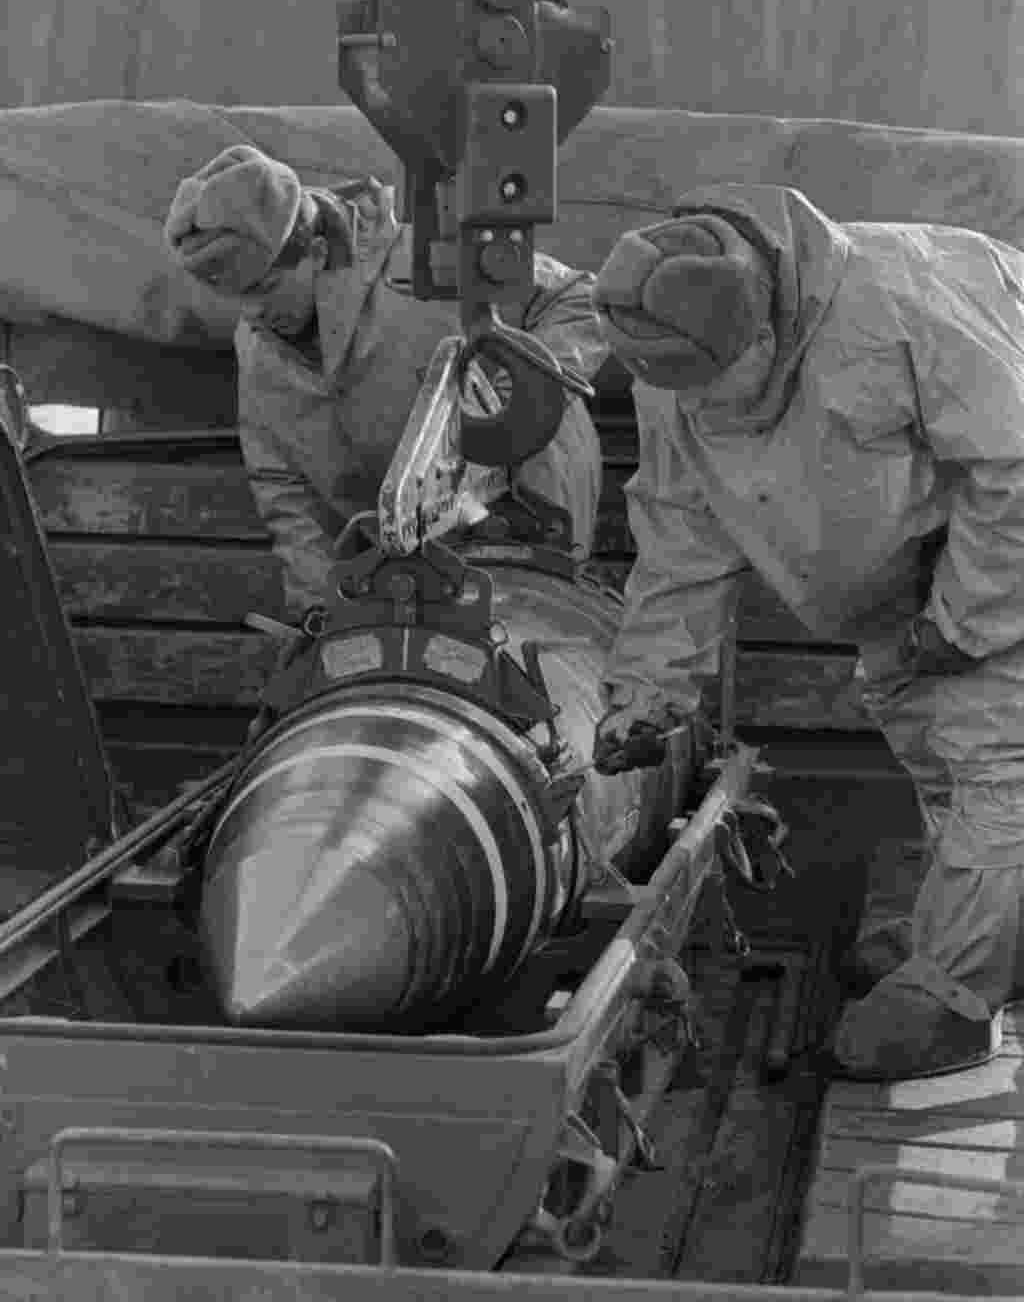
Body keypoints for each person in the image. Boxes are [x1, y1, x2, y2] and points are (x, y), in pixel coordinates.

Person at [587, 181, 1024, 1082]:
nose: (701, 408)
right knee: (937, 758)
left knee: (995, 759)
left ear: (762, 330)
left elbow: (1015, 463)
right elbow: (681, 530)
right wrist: (648, 693)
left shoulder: (896, 305)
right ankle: (984, 926)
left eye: (717, 385)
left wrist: (964, 620)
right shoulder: (671, 366)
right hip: (904, 579)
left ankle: (955, 999)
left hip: (1000, 549)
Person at [163, 145, 605, 621]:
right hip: (405, 575)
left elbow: (578, 299)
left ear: (314, 250)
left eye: (265, 290)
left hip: (524, 543)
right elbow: (284, 487)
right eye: (237, 299)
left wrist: (518, 398)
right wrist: (318, 609)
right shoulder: (256, 346)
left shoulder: (427, 268)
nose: (252, 314)